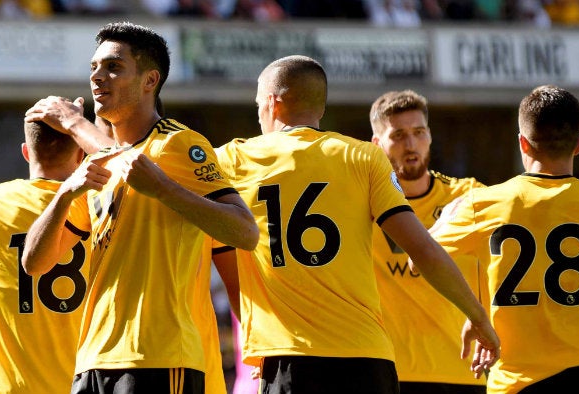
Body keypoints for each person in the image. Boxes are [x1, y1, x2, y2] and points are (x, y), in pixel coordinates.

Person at [212, 55, 500, 394]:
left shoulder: (232, 160)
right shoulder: (363, 156)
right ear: (320, 107)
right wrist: (478, 315)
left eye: (259, 104)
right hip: (366, 358)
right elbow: (422, 248)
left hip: (288, 354)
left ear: (272, 104)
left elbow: (223, 252)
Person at [21, 21, 258, 394]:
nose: (98, 77)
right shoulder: (96, 166)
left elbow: (245, 231)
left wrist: (164, 189)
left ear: (150, 81)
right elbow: (35, 263)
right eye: (94, 68)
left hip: (157, 358)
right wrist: (64, 194)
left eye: (114, 67)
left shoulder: (178, 144)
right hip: (93, 359)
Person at [429, 85, 579, 393]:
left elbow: (418, 258)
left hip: (515, 382)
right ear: (578, 145)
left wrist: (475, 313)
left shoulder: (481, 203)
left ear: (522, 144)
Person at [0, 118, 87, 393]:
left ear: (26, 152)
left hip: (11, 387)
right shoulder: (96, 206)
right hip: (82, 385)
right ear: (81, 154)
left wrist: (12, 296)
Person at [369, 90, 487, 393]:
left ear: (430, 136)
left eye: (419, 133)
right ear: (377, 144)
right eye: (398, 135)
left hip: (462, 372)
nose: (411, 145)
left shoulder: (467, 195)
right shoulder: (361, 203)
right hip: (387, 373)